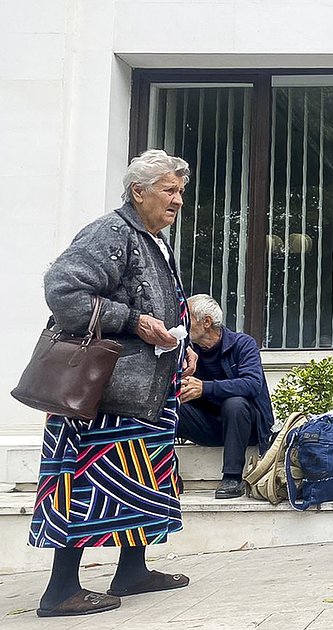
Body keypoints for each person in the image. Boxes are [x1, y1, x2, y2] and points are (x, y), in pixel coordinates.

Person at [31, 150, 194, 617]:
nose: (178, 200)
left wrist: (183, 349)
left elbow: (162, 304)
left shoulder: (151, 239)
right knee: (84, 482)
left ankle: (133, 570)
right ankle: (61, 590)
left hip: (143, 389)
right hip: (104, 393)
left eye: (180, 191)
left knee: (145, 479)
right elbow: (64, 289)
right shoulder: (112, 232)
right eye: (169, 190)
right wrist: (136, 321)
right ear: (137, 191)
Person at [177, 294, 275, 499]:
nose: (182, 323)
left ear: (206, 322)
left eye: (188, 318)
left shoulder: (242, 343)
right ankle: (168, 474)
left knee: (235, 403)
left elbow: (252, 384)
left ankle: (232, 477)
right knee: (171, 404)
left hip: (246, 427)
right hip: (208, 426)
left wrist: (205, 388)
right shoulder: (187, 351)